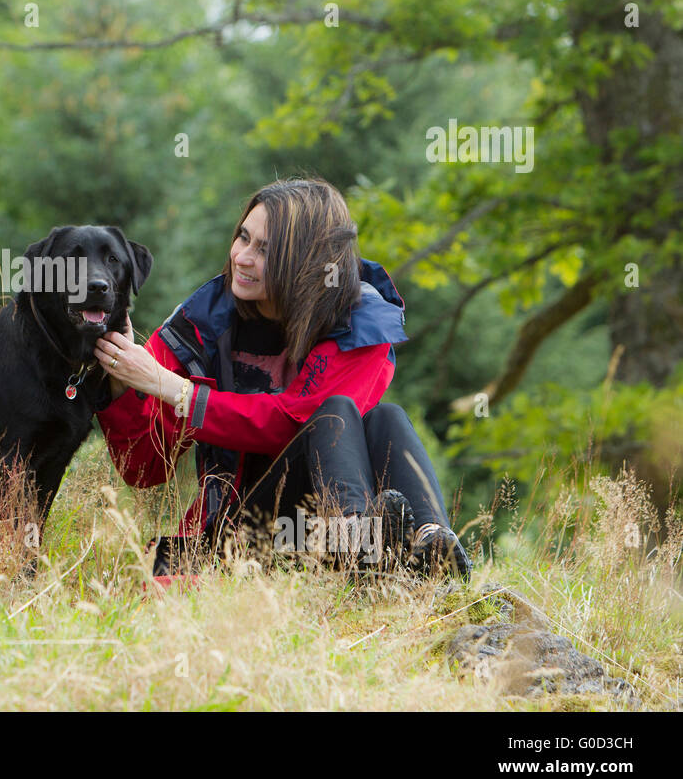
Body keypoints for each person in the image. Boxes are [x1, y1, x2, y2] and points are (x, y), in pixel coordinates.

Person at [93, 177, 471, 580]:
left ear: (307, 261)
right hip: (241, 533)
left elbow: (291, 422)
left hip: (319, 524)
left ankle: (431, 548)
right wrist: (123, 385)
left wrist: (172, 387)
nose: (242, 257)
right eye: (243, 237)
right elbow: (143, 468)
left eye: (265, 250)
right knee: (344, 414)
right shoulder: (204, 319)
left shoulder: (360, 321)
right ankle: (360, 549)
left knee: (381, 417)